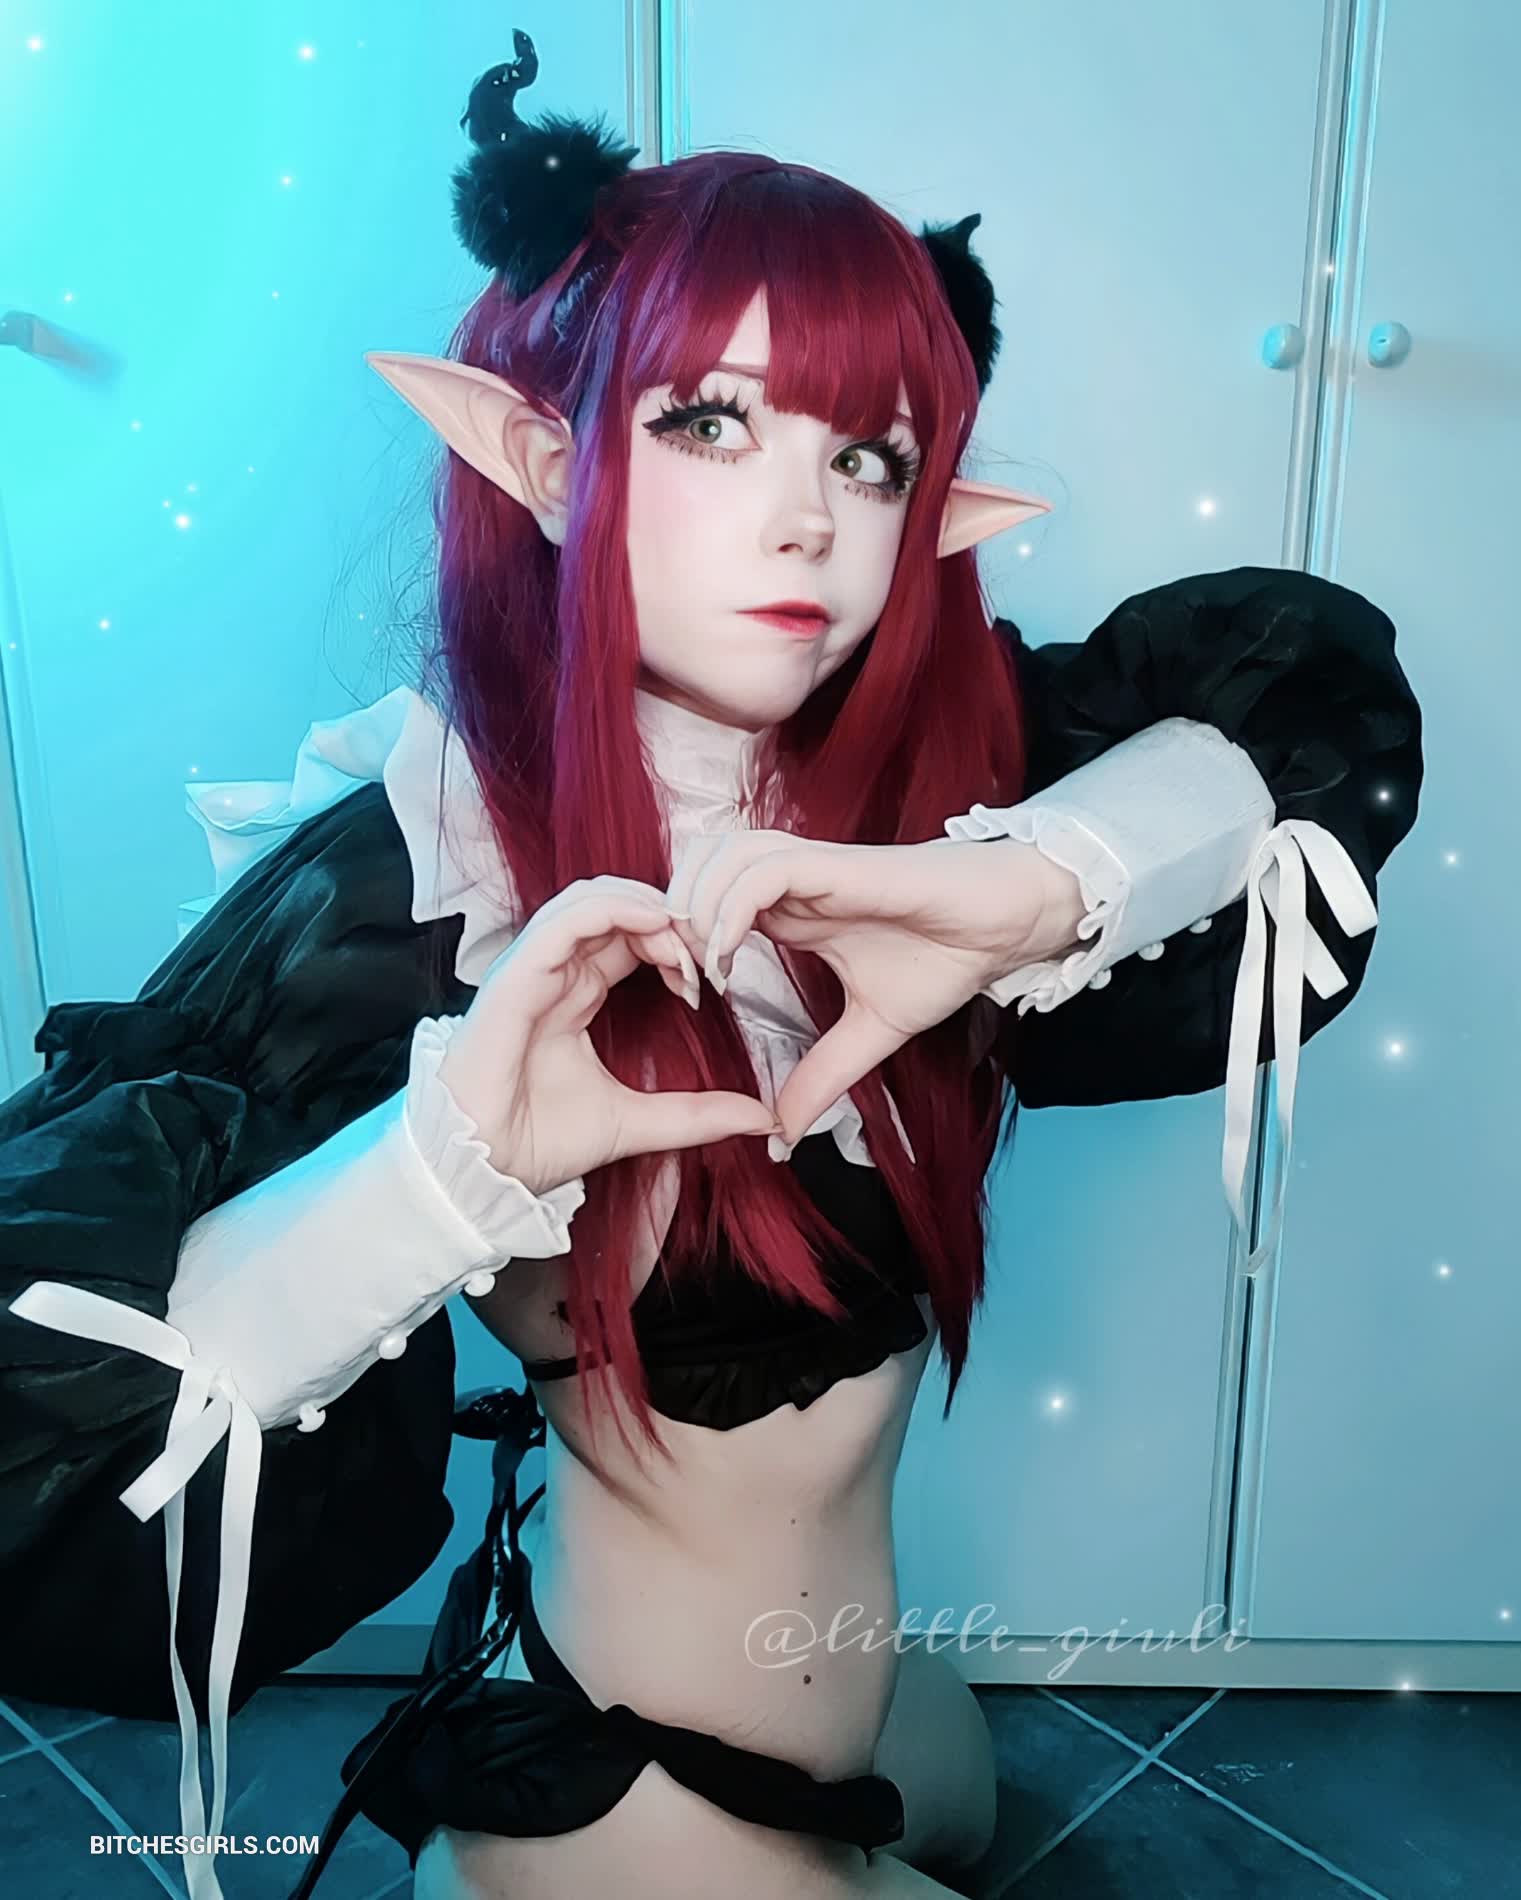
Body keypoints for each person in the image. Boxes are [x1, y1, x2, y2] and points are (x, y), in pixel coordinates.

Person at [0, 31, 1423, 1900]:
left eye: (867, 455)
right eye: (706, 424)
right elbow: (40, 1410)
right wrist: (431, 1173)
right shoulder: (412, 882)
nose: (806, 513)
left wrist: (1034, 888)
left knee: (961, 1806)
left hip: (866, 1709)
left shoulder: (951, 791)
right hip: (639, 1790)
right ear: (543, 458)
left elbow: (1304, 704)